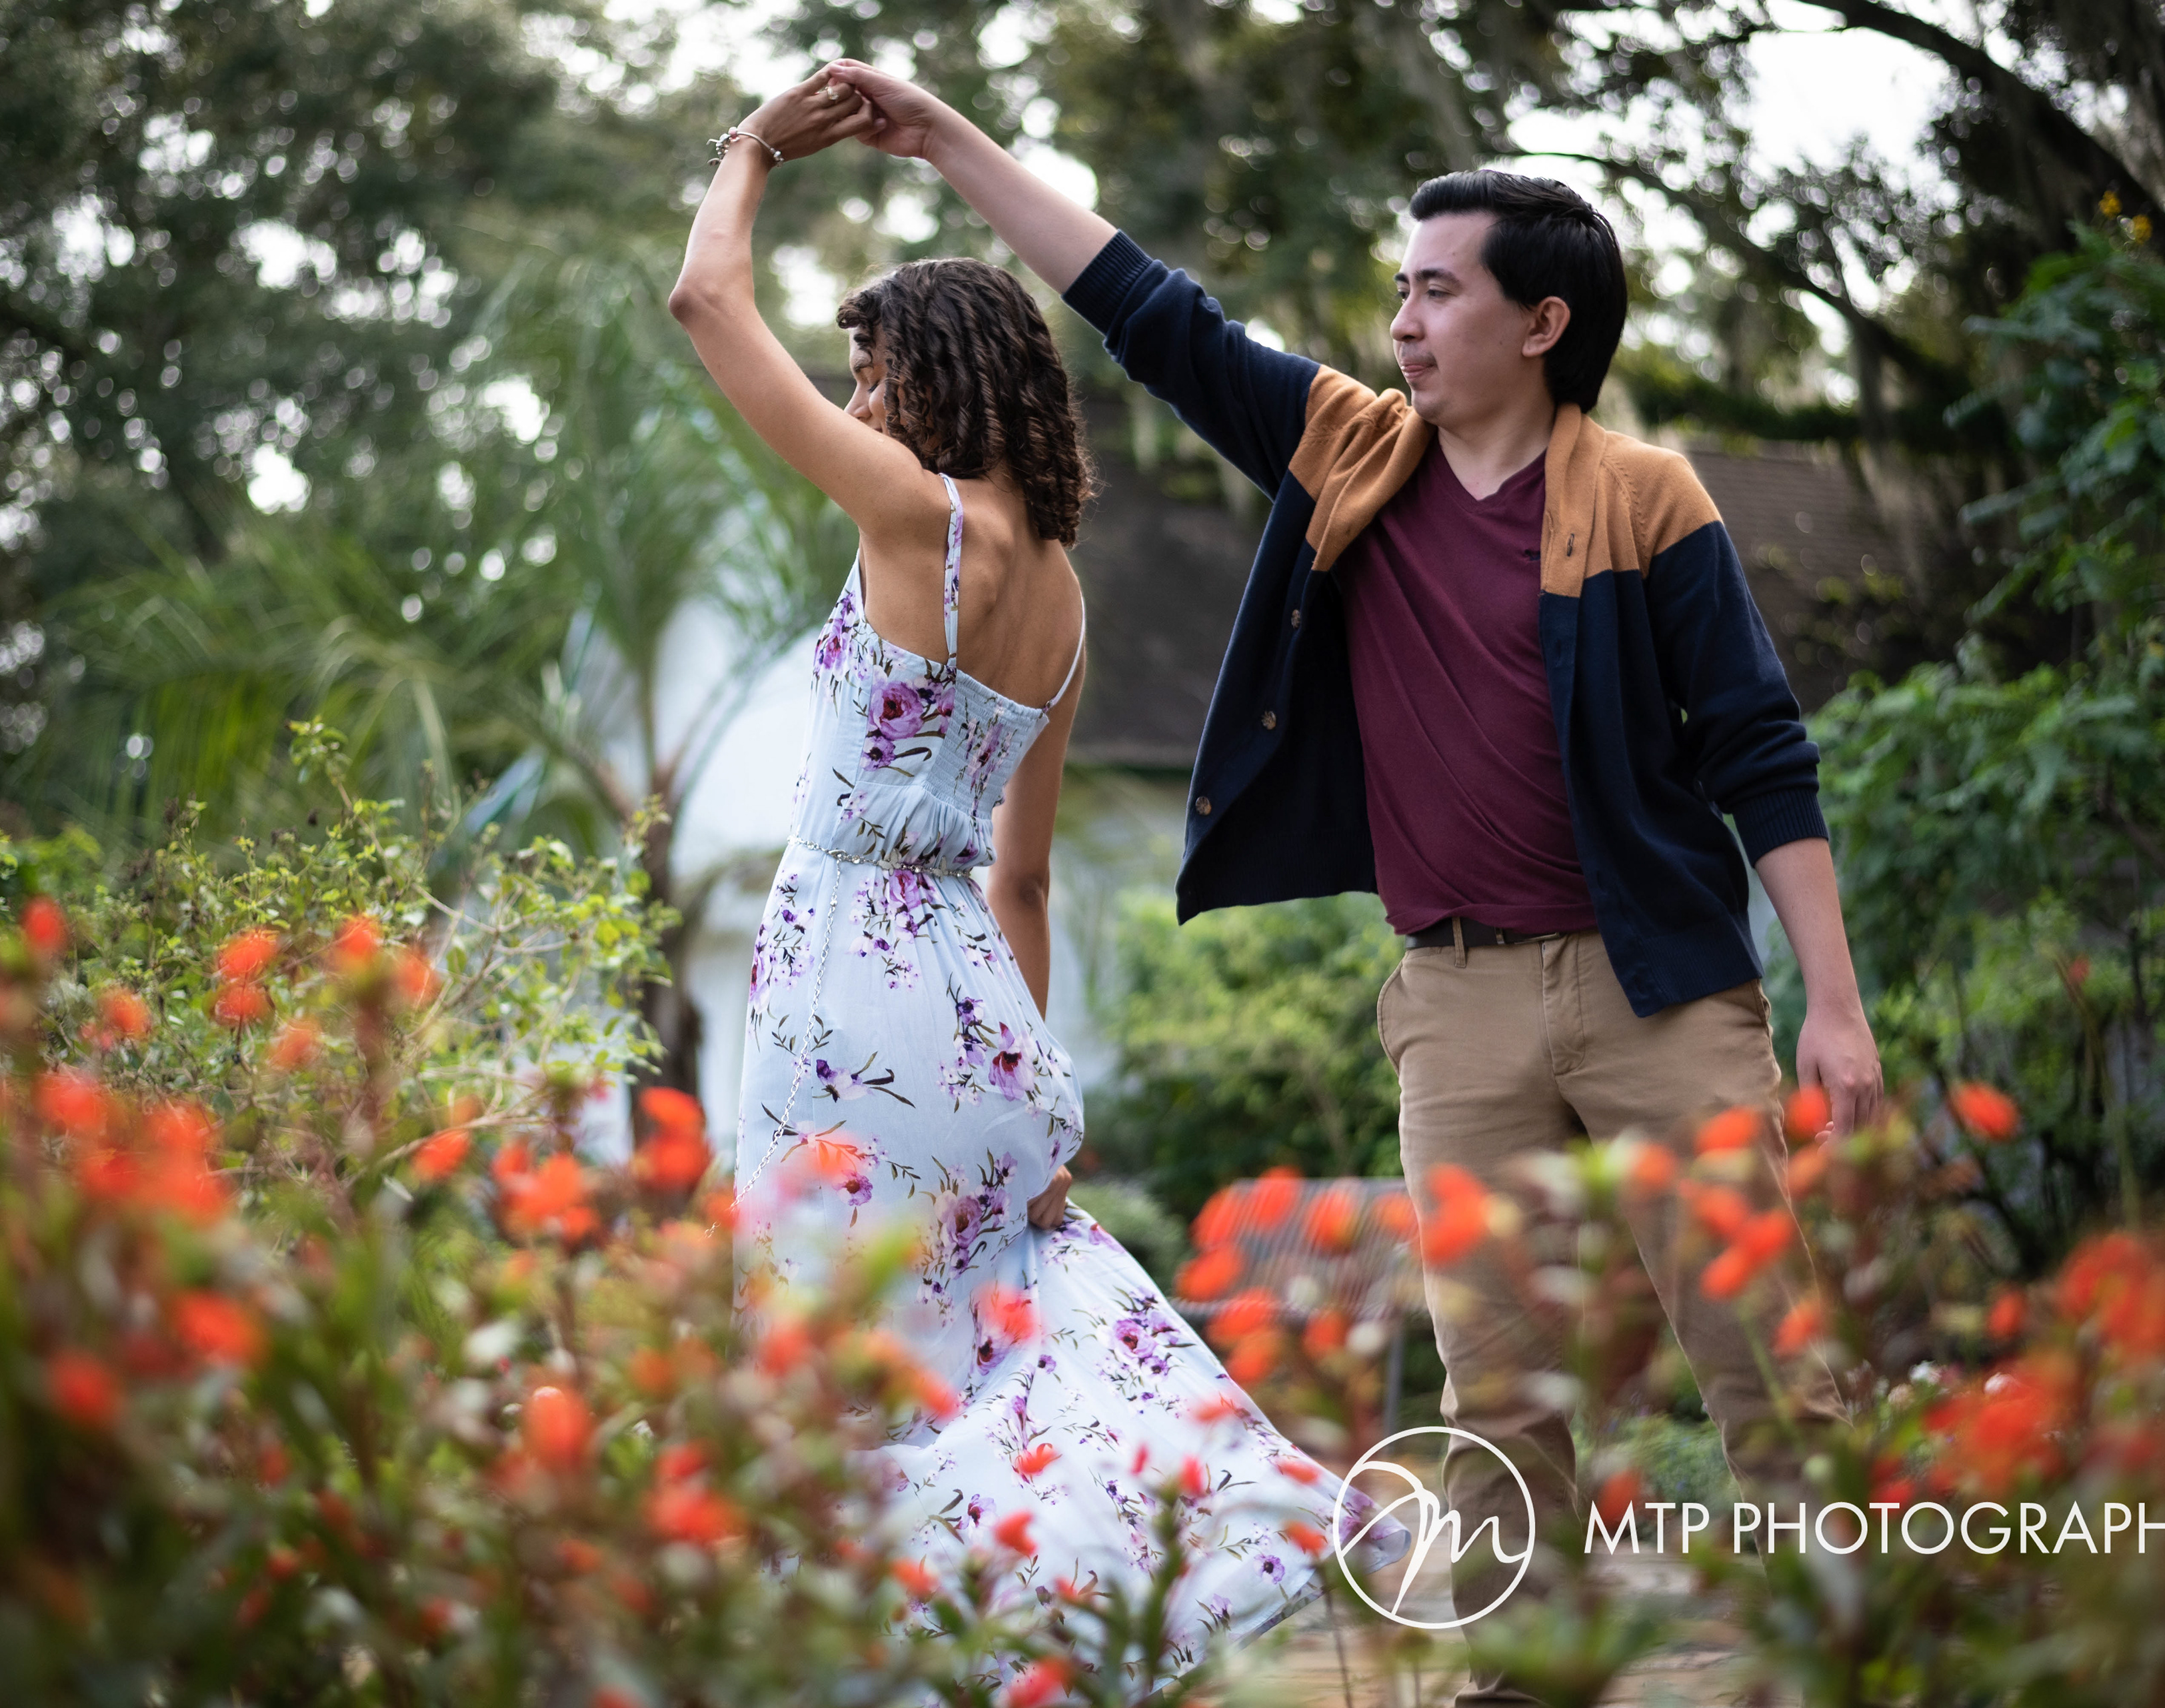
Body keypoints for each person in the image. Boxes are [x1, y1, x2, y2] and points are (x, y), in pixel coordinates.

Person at [823, 61, 1876, 1699]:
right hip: (1451, 998)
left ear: (1539, 322)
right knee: (1496, 1385)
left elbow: (1759, 753)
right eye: (1398, 288)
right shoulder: (1349, 456)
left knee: (1760, 1352)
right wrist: (949, 138)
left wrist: (1835, 1006)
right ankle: (1525, 1671)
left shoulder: (1648, 500)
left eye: (1436, 290)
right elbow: (1144, 309)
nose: (1402, 319)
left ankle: (1849, 1647)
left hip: (1655, 984)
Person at [669, 69, 1403, 1693]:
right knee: (1010, 1338)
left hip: (849, 997)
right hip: (977, 1023)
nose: (855, 408)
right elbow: (1027, 880)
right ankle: (1140, 1581)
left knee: (841, 1371)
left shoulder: (913, 521)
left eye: (872, 373)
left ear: (939, 379)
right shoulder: (1057, 595)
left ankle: (911, 1665)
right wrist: (1029, 1093)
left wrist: (749, 150)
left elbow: (703, 297)